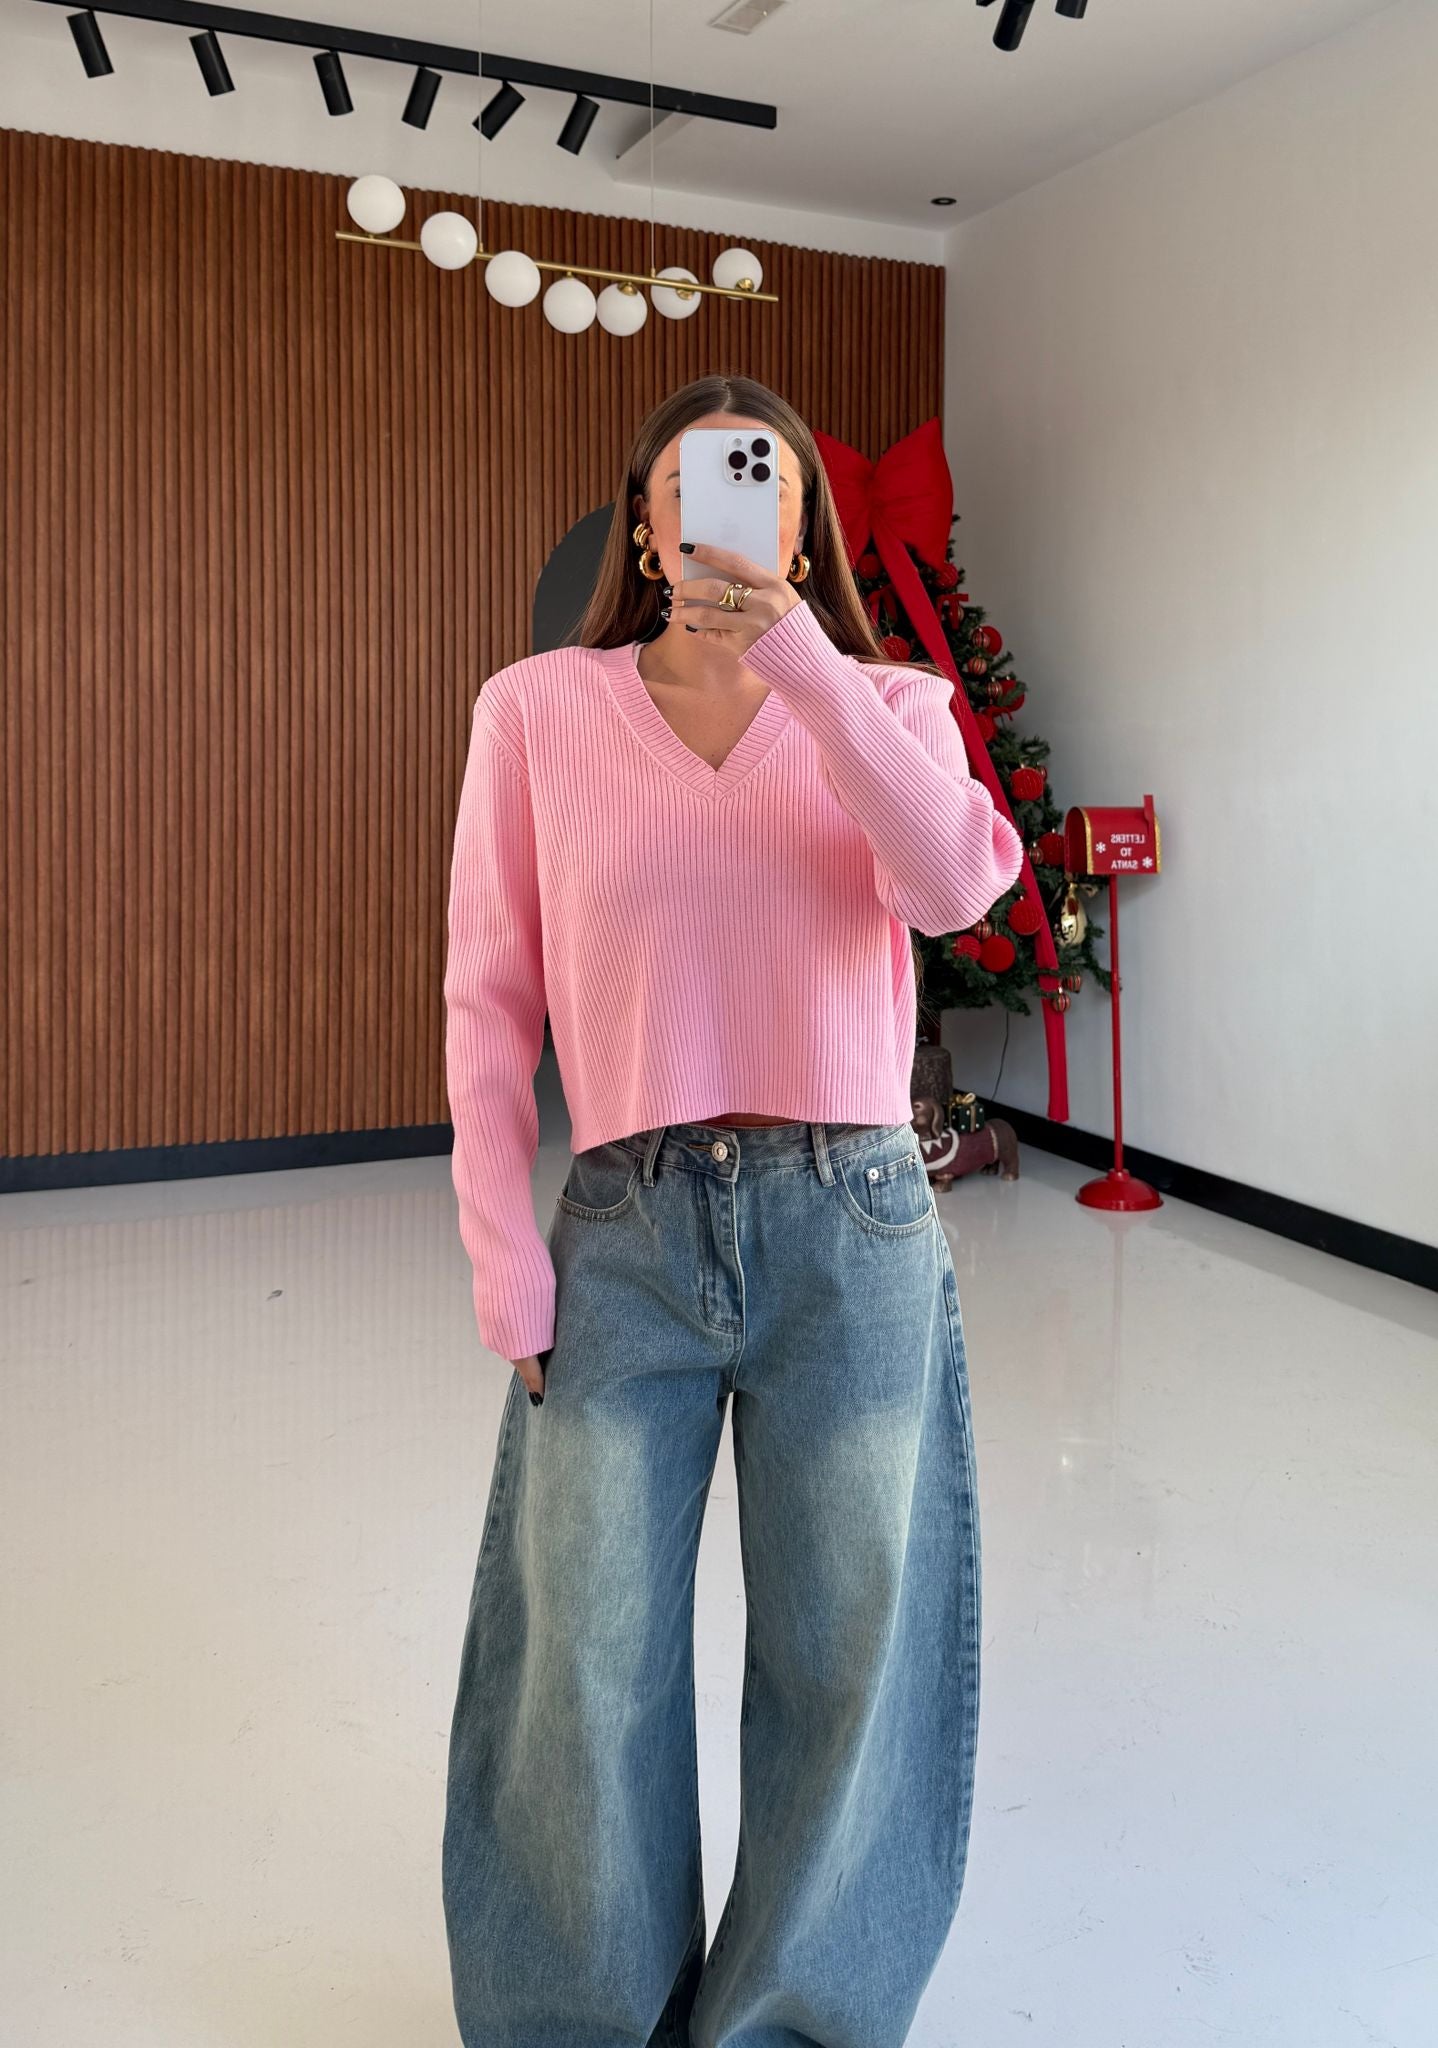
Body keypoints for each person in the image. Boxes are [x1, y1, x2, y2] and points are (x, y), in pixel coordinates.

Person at [440, 372, 1024, 2047]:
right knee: (583, 1657)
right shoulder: (536, 709)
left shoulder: (888, 704)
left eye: (761, 491)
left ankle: (790, 2022)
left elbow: (956, 889)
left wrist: (810, 671)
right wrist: (501, 1247)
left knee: (849, 1657)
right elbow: (488, 994)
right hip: (623, 1225)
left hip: (853, 1223)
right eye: (689, 492)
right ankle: (577, 2020)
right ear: (642, 527)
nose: (722, 520)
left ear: (801, 527)